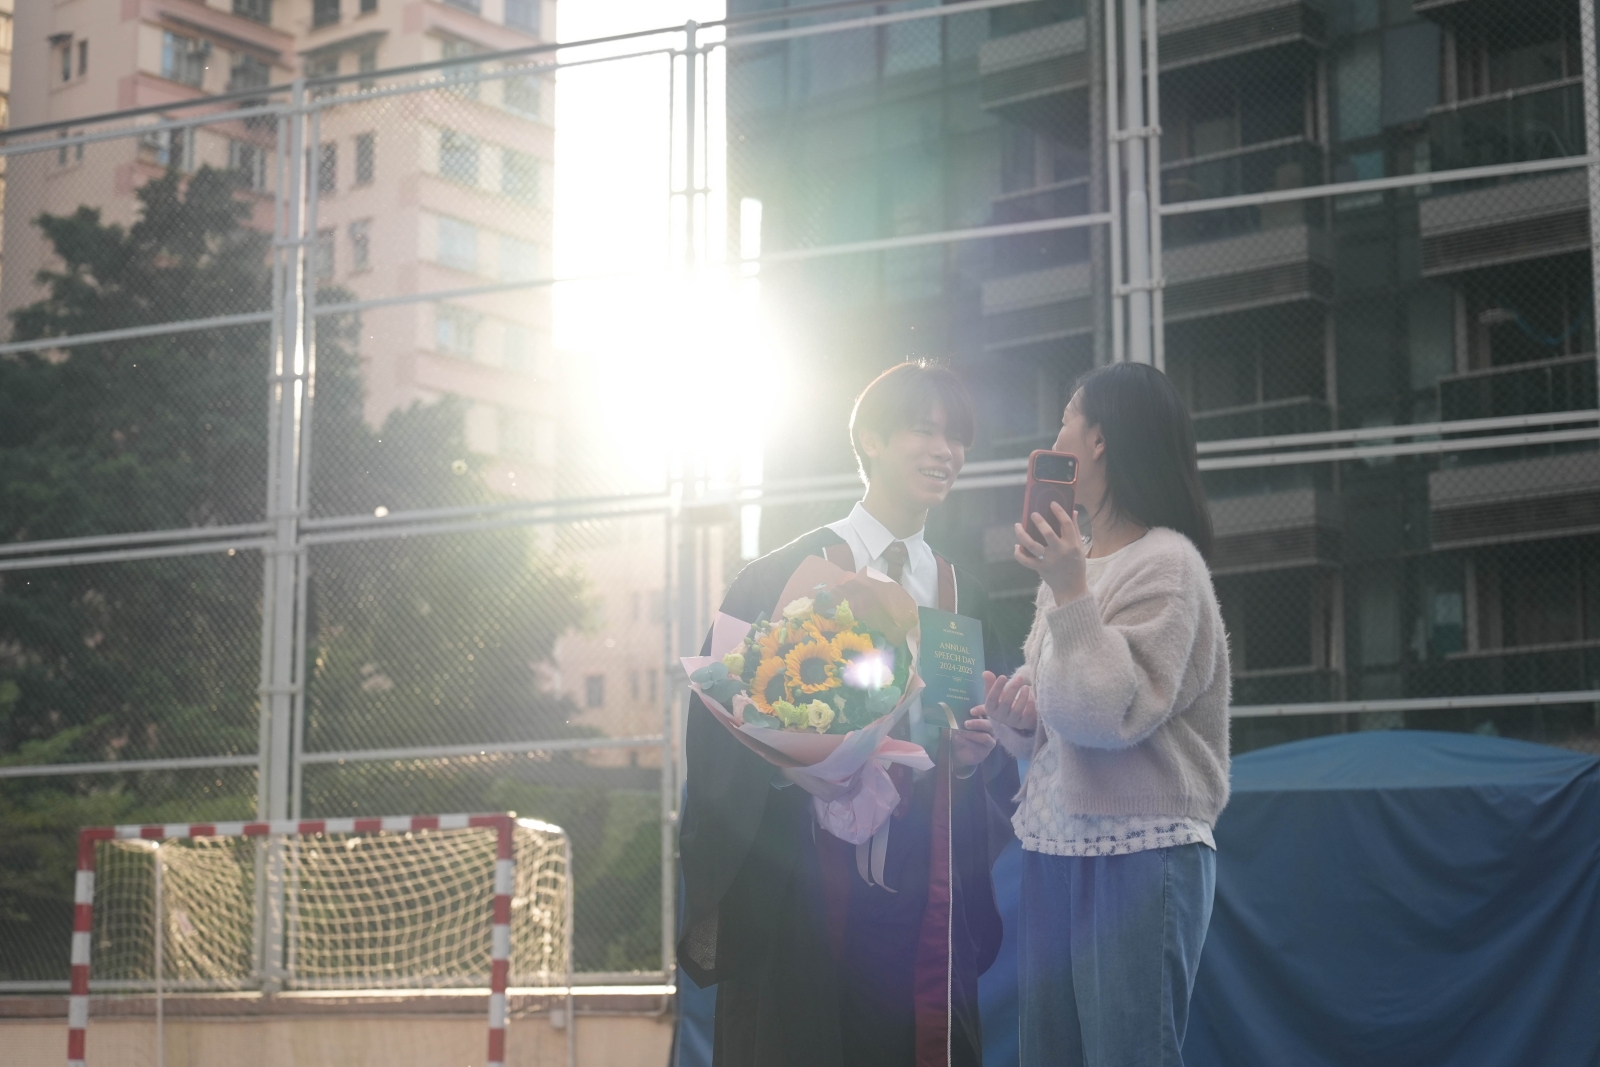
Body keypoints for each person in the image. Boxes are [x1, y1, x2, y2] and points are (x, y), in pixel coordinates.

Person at [678, 360, 1023, 1067]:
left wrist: (970, 759)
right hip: (804, 881)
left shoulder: (962, 595)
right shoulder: (785, 574)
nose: (946, 451)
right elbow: (720, 730)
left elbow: (980, 757)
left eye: (957, 437)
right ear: (870, 439)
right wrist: (801, 769)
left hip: (923, 888)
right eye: (924, 431)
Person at [986, 362, 1231, 1067]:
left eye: (1067, 417)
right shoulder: (1077, 563)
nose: (1055, 435)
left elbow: (1105, 714)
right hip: (1055, 845)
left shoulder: (1169, 565)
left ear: (1098, 440)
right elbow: (1063, 706)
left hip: (1140, 851)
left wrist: (1070, 591)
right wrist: (1019, 718)